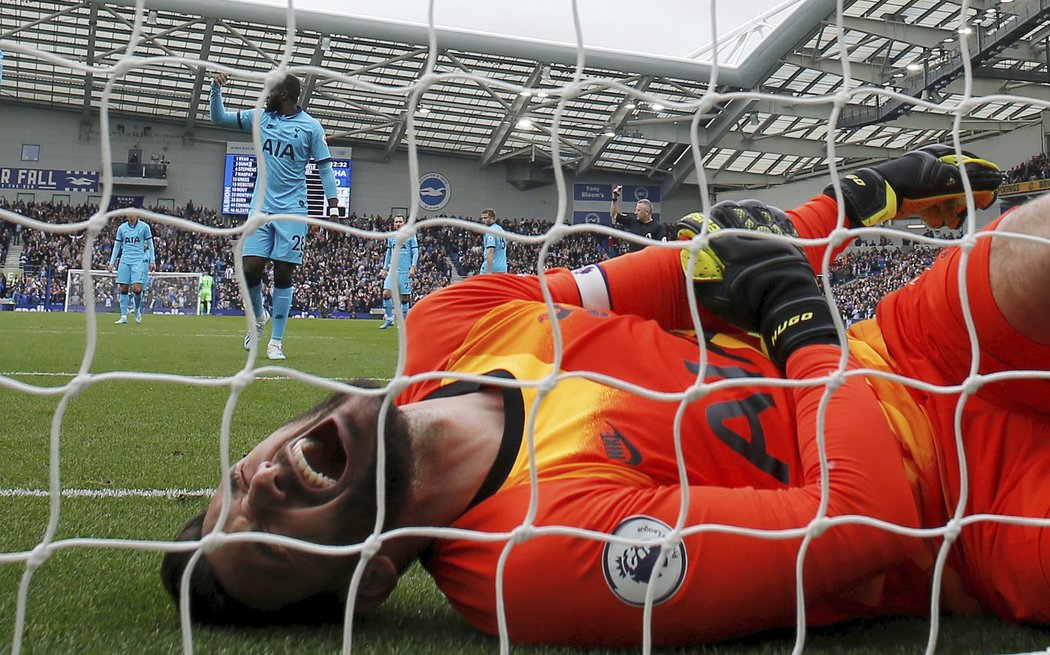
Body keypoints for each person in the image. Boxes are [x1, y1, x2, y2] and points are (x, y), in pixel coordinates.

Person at [161, 146, 1050, 647]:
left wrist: (848, 199)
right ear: (376, 576)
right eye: (269, 542)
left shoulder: (452, 321)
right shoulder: (531, 565)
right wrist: (802, 328)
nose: (258, 487)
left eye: (226, 492)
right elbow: (866, 517)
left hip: (904, 345)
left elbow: (715, 270)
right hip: (968, 521)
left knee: (1027, 249)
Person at [209, 71, 342, 360]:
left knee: (283, 272)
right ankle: (258, 319)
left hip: (293, 208)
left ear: (284, 95)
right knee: (249, 269)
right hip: (260, 208)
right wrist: (215, 89)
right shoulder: (261, 117)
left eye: (271, 91)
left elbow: (325, 167)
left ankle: (276, 342)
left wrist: (333, 208)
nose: (266, 94)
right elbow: (219, 119)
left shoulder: (311, 128)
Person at [107, 214, 154, 324]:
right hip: (125, 260)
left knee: (137, 289)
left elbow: (151, 245)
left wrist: (152, 260)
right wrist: (111, 262)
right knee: (123, 288)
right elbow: (117, 246)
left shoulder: (144, 227)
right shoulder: (122, 228)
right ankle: (123, 316)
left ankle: (137, 309)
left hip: (138, 260)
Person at [378, 214, 419, 329]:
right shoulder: (391, 237)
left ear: (404, 223)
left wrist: (413, 266)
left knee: (405, 298)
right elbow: (388, 253)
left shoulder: (410, 235)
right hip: (392, 271)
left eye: (400, 222)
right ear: (393, 223)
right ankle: (390, 318)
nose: (398, 224)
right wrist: (385, 268)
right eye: (396, 222)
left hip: (405, 272)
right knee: (386, 293)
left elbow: (415, 252)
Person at [610, 184, 670, 252]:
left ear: (647, 212)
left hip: (648, 261)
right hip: (633, 260)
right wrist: (615, 197)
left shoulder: (658, 227)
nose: (635, 213)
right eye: (636, 210)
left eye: (638, 210)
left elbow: (663, 247)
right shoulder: (632, 222)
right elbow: (614, 214)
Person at [479, 208, 507, 274]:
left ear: (492, 218)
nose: (483, 220)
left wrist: (489, 271)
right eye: (482, 218)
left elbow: (491, 251)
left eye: (485, 218)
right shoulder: (501, 230)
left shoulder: (490, 231)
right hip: (502, 268)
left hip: (492, 267)